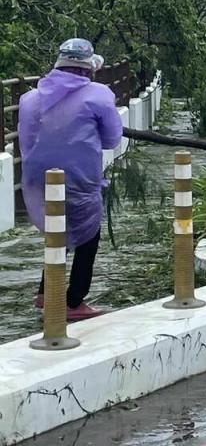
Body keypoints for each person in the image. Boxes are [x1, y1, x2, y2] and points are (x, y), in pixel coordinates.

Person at [18, 38, 123, 321]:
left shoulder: (29, 99)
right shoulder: (98, 95)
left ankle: (45, 293)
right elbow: (112, 139)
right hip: (79, 179)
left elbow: (26, 143)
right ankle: (74, 301)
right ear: (87, 68)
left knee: (57, 231)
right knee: (88, 236)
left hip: (39, 179)